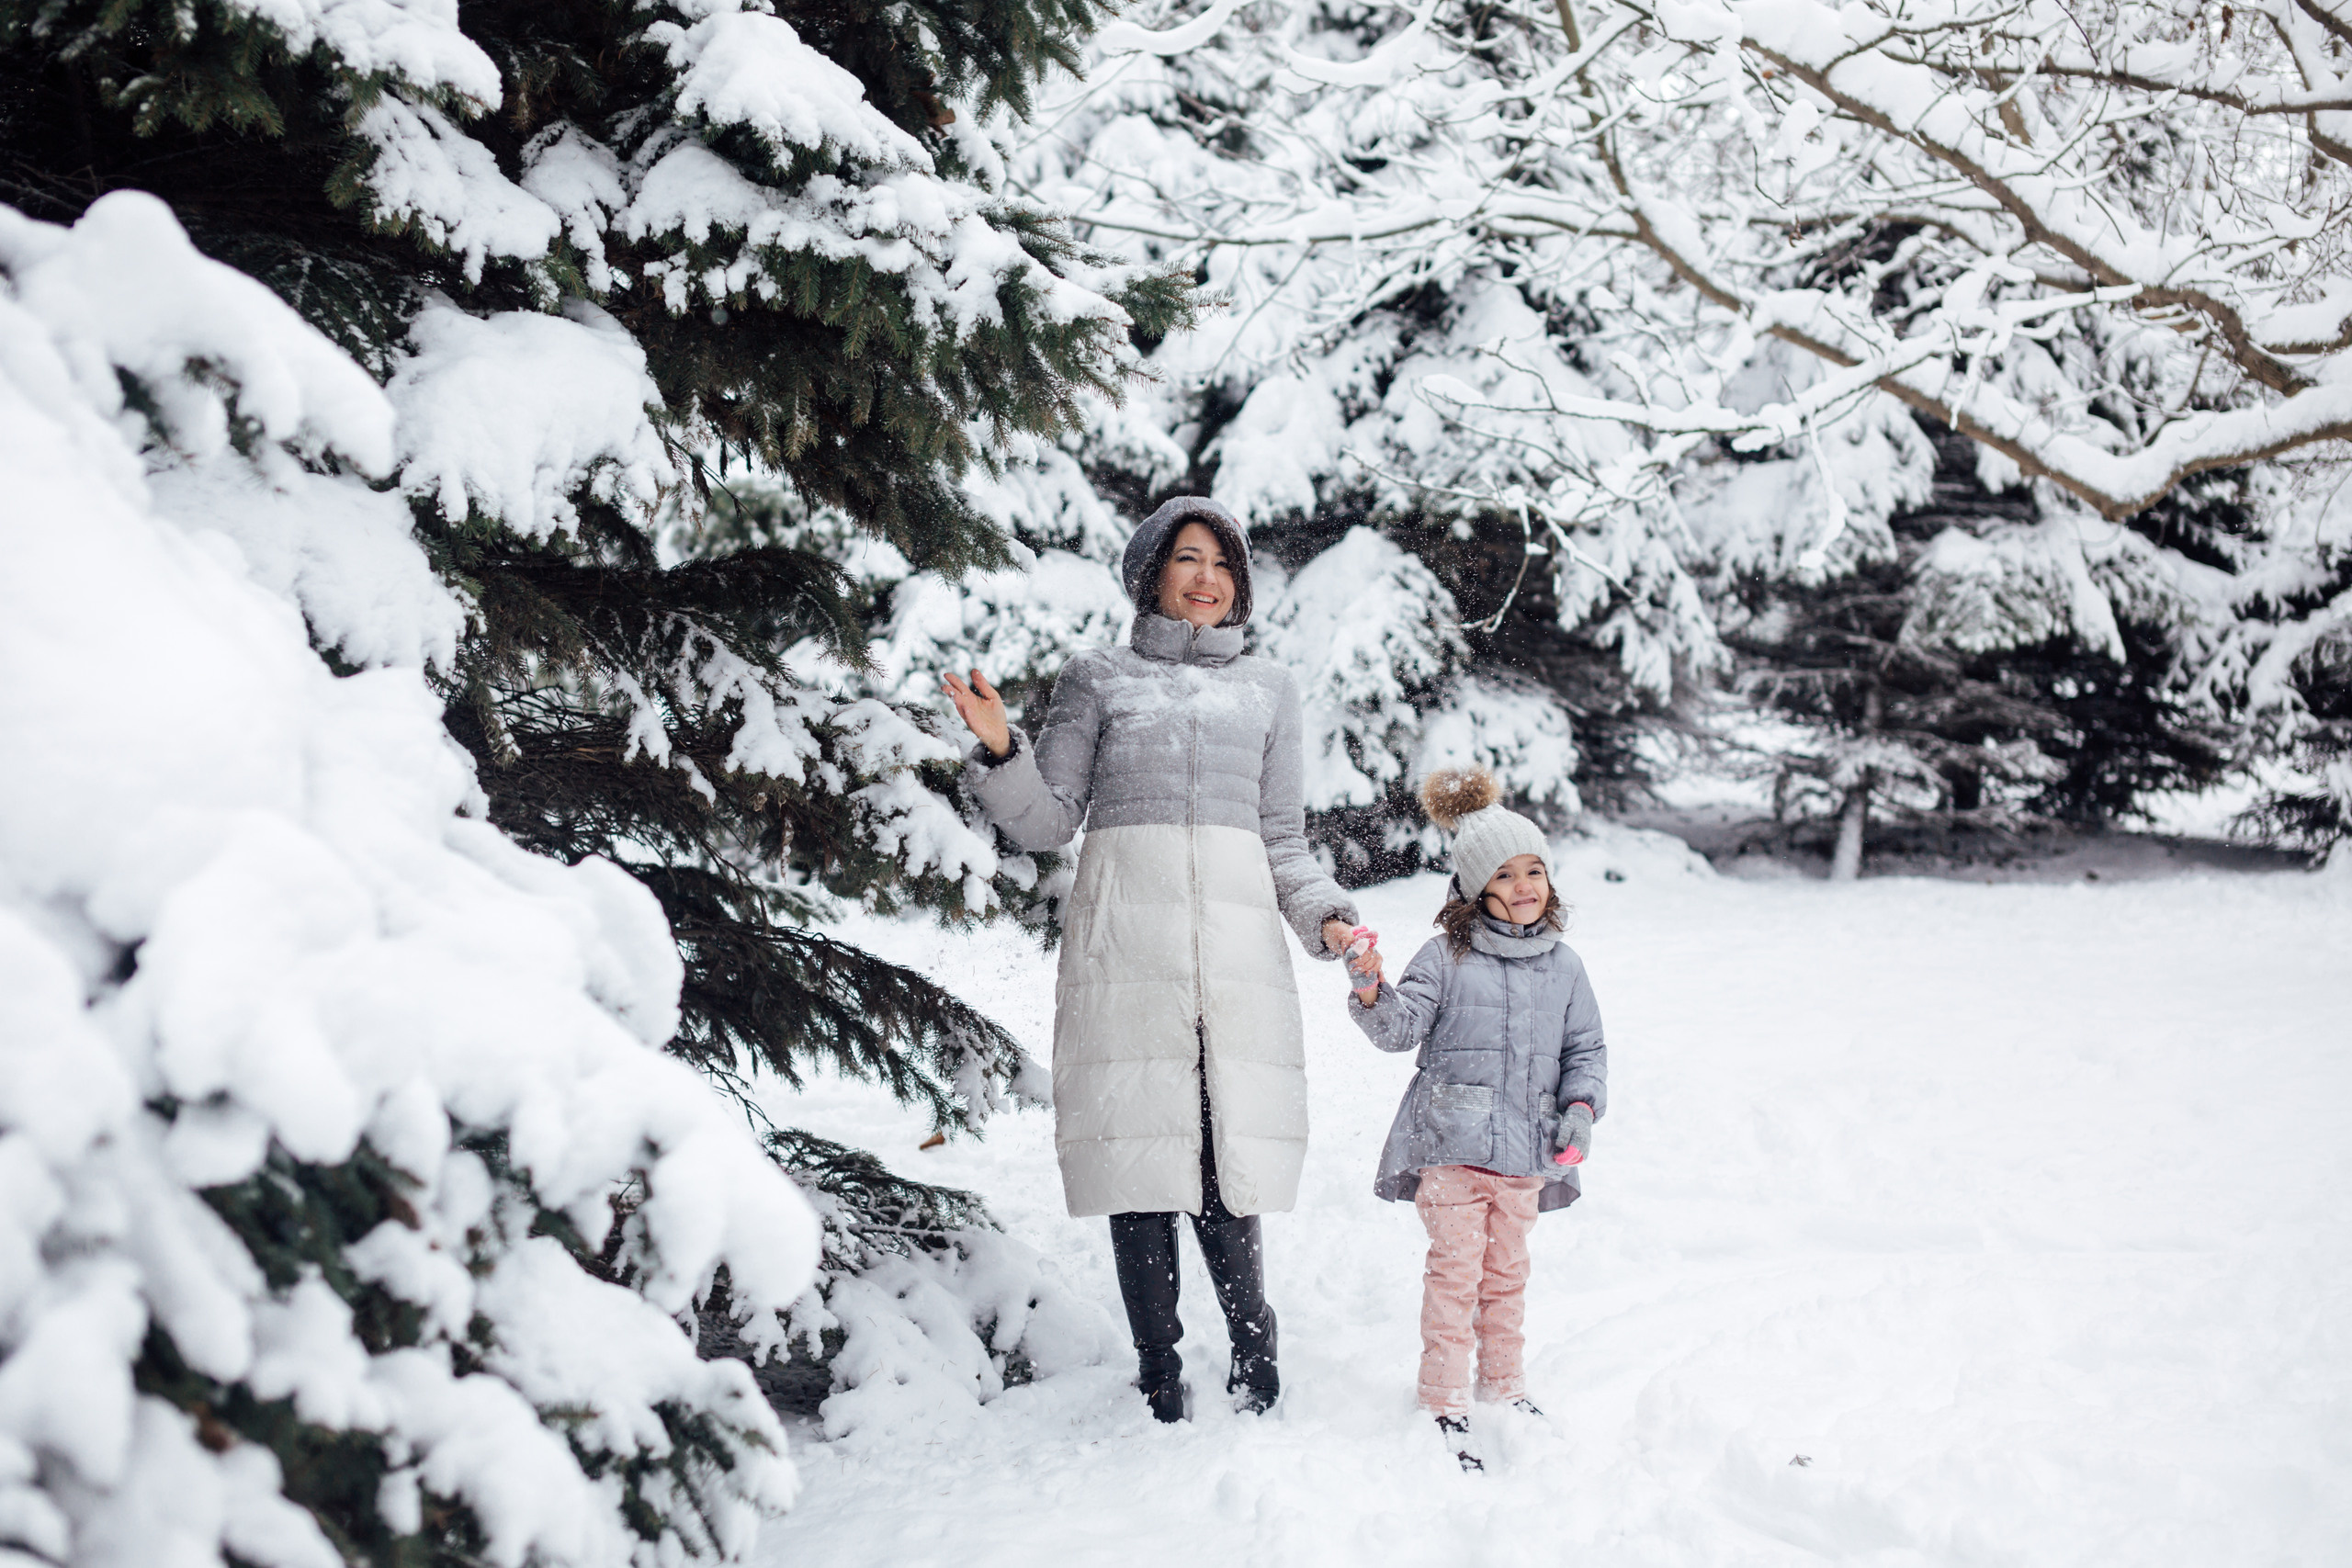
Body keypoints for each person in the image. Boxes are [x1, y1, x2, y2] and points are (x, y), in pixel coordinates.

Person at [943, 496, 1363, 1423]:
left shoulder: (1268, 691)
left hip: (1234, 959)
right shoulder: (1097, 679)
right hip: (1127, 952)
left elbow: (1283, 840)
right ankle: (1158, 1372)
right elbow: (1050, 819)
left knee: (1225, 1159)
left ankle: (1256, 1347)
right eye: (1187, 558)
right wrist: (1000, 747)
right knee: (1139, 1161)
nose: (1206, 577)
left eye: (1221, 562)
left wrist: (1327, 921)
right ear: (1152, 574)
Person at [1342, 765, 1609, 1472]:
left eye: (1535, 871)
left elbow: (1586, 1049)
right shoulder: (1445, 955)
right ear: (1472, 889)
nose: (1525, 886)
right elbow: (1399, 1031)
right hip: (1452, 1148)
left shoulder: (1565, 967)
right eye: (1506, 875)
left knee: (1507, 1277)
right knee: (1457, 1273)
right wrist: (1371, 987)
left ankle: (1503, 1386)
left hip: (1526, 1153)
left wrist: (1580, 1109)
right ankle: (1442, 1397)